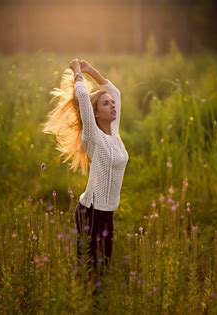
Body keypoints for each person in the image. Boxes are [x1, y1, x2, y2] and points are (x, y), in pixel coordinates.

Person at [43, 59, 129, 279]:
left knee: (104, 269)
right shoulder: (93, 137)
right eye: (106, 104)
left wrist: (92, 71)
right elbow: (82, 97)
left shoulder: (114, 134)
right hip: (90, 211)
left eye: (112, 104)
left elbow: (115, 92)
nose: (113, 105)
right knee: (88, 272)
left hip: (107, 211)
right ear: (95, 113)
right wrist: (78, 72)